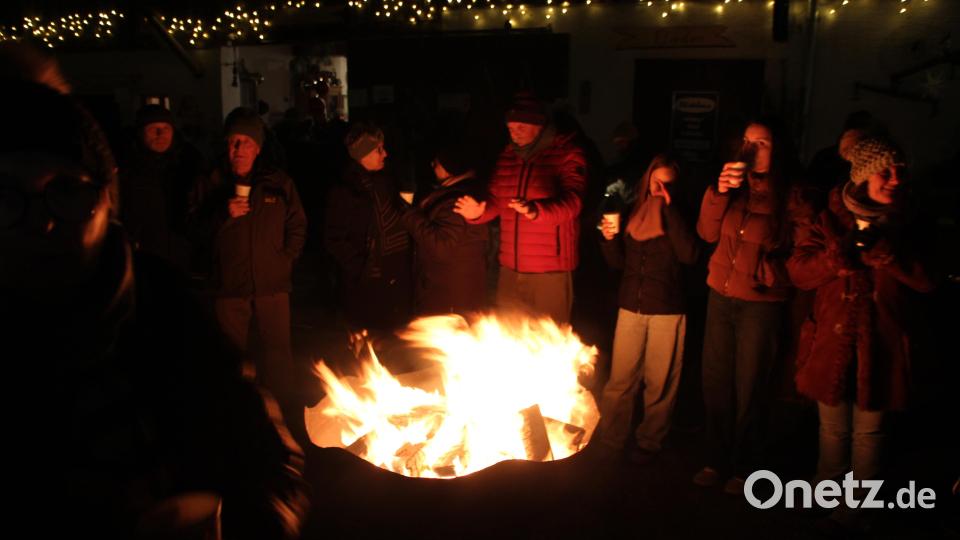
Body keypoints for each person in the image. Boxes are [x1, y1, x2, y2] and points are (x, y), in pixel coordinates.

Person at [0, 52, 307, 539]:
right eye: (6, 194)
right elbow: (195, 227)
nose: (43, 220)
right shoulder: (208, 184)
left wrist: (263, 515)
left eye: (66, 189)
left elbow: (253, 440)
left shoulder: (164, 305)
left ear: (104, 198)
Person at [787, 135, 936, 532]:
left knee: (870, 431)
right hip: (833, 343)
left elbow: (928, 280)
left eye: (899, 170)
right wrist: (837, 257)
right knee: (832, 426)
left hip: (882, 345)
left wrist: (888, 254)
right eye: (884, 171)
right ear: (863, 175)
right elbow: (799, 272)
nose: (894, 179)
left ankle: (858, 505)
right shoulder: (830, 218)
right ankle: (826, 490)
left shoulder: (912, 220)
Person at [694, 118, 799, 494]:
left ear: (778, 148)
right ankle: (714, 460)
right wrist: (718, 191)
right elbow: (706, 233)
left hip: (760, 303)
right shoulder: (732, 188)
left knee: (751, 385)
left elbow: (799, 252)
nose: (753, 149)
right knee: (716, 381)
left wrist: (774, 271)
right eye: (747, 141)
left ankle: (745, 468)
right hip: (721, 297)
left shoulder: (790, 195)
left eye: (763, 143)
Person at [199, 107, 308, 417]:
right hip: (230, 286)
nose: (237, 149)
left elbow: (297, 224)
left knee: (278, 355)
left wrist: (285, 259)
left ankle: (283, 412)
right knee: (232, 355)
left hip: (272, 285)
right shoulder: (212, 182)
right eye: (233, 141)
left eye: (245, 142)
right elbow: (191, 229)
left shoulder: (278, 182)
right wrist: (223, 212)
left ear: (258, 147)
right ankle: (238, 412)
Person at [596, 154, 700, 464]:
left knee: (661, 381)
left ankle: (649, 441)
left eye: (667, 183)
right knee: (620, 380)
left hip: (667, 308)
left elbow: (690, 255)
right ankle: (611, 439)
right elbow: (618, 264)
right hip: (631, 305)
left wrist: (669, 211)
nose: (660, 188)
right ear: (647, 180)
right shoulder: (633, 212)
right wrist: (609, 238)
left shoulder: (681, 213)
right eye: (656, 182)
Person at [454, 91, 587, 324]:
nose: (513, 134)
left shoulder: (566, 153)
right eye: (510, 128)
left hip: (549, 272)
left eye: (520, 127)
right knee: (511, 338)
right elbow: (496, 199)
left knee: (548, 343)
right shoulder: (508, 157)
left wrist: (536, 211)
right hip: (511, 270)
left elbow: (574, 202)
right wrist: (480, 213)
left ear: (539, 125)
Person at [324, 122, 413, 331]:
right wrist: (361, 267)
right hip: (367, 284)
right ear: (362, 155)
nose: (385, 154)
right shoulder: (346, 191)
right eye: (378, 150)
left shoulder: (387, 180)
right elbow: (333, 239)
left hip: (396, 276)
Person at [401, 144, 490, 316]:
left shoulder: (457, 200)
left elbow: (441, 245)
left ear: (450, 168)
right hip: (452, 289)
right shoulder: (454, 192)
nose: (432, 165)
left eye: (437, 162)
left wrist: (409, 215)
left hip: (449, 295)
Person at [119, 103, 206, 275]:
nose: (161, 134)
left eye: (166, 128)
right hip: (143, 263)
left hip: (182, 261)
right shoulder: (126, 172)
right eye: (153, 129)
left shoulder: (188, 166)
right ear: (140, 133)